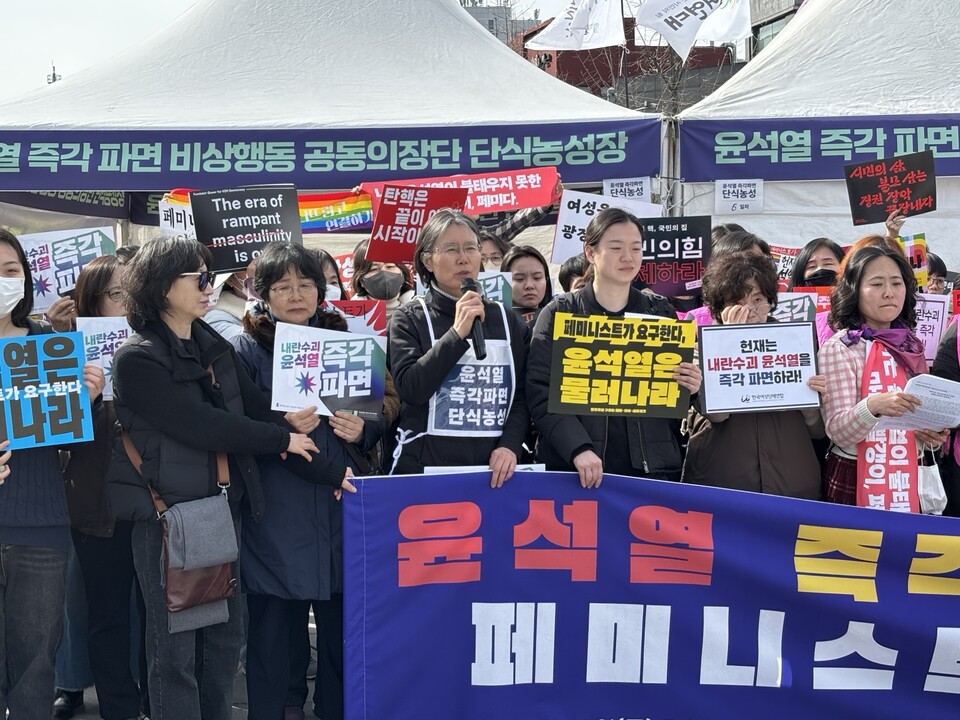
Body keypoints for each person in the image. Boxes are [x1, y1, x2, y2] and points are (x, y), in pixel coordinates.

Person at [108, 237, 356, 720]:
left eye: (211, 277)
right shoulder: (137, 358)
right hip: (169, 518)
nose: (210, 287)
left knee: (223, 647)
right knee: (174, 652)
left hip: (225, 509)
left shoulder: (210, 343)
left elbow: (263, 416)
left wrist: (325, 464)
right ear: (161, 288)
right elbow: (206, 424)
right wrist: (281, 437)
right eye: (199, 279)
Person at [232, 242, 398, 720]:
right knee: (271, 630)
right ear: (262, 294)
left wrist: (366, 427)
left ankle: (336, 710)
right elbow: (236, 423)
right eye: (282, 286)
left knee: (342, 627)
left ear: (322, 290)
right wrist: (280, 429)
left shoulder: (346, 337)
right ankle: (275, 708)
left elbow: (388, 402)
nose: (296, 294)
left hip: (341, 501)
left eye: (305, 284)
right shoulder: (245, 348)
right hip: (277, 506)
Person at [0, 228, 104, 720]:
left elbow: (71, 443)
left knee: (36, 661)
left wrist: (89, 401)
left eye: (9, 270)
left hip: (39, 522)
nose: (2, 281)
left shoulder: (49, 347)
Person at [527, 208, 702, 488]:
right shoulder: (561, 313)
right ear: (590, 252)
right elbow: (540, 391)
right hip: (576, 471)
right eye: (616, 247)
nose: (628, 257)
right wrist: (577, 448)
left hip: (651, 472)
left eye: (636, 248)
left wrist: (692, 387)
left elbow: (676, 397)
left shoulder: (661, 312)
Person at [59, 255, 150, 720]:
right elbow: (54, 438)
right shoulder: (62, 355)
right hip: (97, 506)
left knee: (159, 615)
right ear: (92, 301)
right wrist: (86, 399)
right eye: (116, 294)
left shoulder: (158, 346)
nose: (127, 302)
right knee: (107, 614)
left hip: (156, 503)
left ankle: (155, 701)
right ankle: (118, 707)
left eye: (133, 291)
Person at [388, 209, 530, 485]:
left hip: (495, 470)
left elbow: (523, 393)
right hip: (425, 470)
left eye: (471, 248)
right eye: (451, 249)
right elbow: (411, 389)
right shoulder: (409, 318)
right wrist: (456, 334)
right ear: (427, 260)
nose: (463, 258)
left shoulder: (506, 318)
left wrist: (511, 444)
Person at [682, 252, 825, 498]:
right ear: (718, 308)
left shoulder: (796, 343)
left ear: (771, 300)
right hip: (722, 483)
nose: (749, 310)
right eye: (737, 302)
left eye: (758, 299)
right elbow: (717, 415)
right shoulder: (702, 347)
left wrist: (811, 396)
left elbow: (817, 430)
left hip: (792, 481)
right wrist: (729, 342)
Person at [819, 245, 949, 507]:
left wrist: (932, 437)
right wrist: (873, 406)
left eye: (897, 283)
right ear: (855, 290)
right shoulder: (841, 346)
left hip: (909, 472)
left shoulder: (910, 343)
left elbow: (920, 414)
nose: (889, 293)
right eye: (876, 284)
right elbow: (838, 431)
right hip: (858, 473)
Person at [687, 230, 772, 327]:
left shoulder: (785, 334)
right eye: (737, 302)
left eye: (757, 300)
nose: (749, 312)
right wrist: (729, 335)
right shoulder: (695, 321)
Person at [350, 239, 415, 319]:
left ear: (402, 272)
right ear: (361, 280)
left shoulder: (418, 306)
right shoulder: (350, 316)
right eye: (374, 269)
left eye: (390, 266)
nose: (384, 273)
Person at [500, 245, 553, 328]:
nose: (529, 285)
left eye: (537, 278)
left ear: (546, 280)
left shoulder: (557, 317)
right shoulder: (493, 321)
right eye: (519, 279)